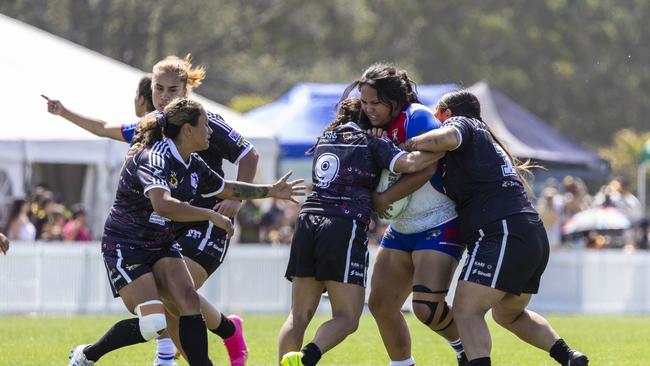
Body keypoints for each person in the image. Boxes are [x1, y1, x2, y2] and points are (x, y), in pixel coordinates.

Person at [45, 54, 259, 366]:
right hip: (167, 223)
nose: (163, 96)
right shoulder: (154, 125)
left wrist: (237, 201)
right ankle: (190, 346)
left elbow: (249, 155)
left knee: (178, 297)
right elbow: (106, 127)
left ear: (185, 90)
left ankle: (215, 336)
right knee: (166, 301)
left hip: (205, 221)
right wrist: (63, 111)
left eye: (172, 90)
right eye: (158, 89)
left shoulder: (205, 122)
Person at [68, 97, 304, 366]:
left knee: (189, 301)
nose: (211, 132)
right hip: (125, 245)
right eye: (206, 125)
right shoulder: (154, 156)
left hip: (161, 243)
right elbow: (163, 204)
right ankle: (85, 355)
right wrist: (210, 214)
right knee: (154, 322)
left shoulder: (191, 162)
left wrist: (270, 191)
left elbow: (225, 188)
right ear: (188, 130)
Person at [403, 90, 589, 366]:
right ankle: (569, 356)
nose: (432, 118)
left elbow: (446, 138)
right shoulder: (486, 140)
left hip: (502, 231)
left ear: (447, 113)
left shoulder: (464, 124)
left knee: (467, 310)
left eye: (436, 112)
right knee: (508, 315)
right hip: (528, 233)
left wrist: (406, 144)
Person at [278, 97, 444, 366]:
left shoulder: (326, 137)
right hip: (342, 226)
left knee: (298, 315)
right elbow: (411, 164)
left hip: (307, 220)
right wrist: (439, 148)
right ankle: (307, 358)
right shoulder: (371, 141)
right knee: (346, 318)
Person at [339, 63, 467, 366]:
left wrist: (384, 198)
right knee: (381, 305)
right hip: (402, 228)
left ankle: (466, 348)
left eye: (376, 103)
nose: (369, 109)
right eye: (365, 102)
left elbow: (429, 165)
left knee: (426, 309)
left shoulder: (417, 116)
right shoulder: (369, 124)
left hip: (439, 221)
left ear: (394, 99)